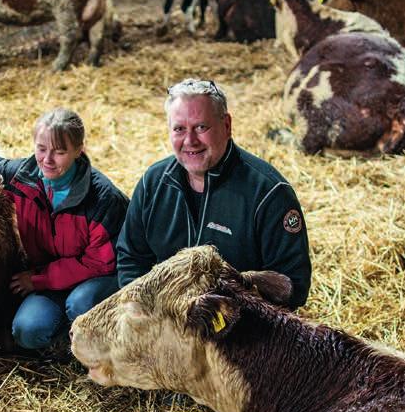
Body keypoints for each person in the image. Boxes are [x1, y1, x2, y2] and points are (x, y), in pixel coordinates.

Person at [116, 79, 311, 309]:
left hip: (238, 327)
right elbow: (131, 257)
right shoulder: (154, 182)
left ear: (227, 125)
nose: (190, 141)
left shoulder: (269, 193)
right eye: (179, 129)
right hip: (164, 320)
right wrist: (145, 310)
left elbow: (293, 286)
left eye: (201, 127)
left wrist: (224, 309)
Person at [0, 108, 129, 350]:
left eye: (60, 151)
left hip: (101, 278)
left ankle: (100, 340)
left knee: (79, 303)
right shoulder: (21, 176)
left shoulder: (103, 199)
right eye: (41, 148)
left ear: (78, 150)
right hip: (50, 275)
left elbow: (98, 262)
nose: (47, 160)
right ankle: (64, 336)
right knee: (27, 330)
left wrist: (39, 279)